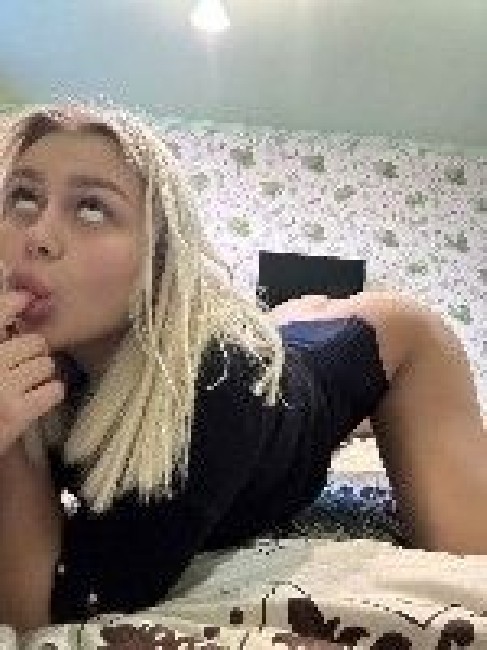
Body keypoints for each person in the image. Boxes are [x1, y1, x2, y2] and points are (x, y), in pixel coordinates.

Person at [0, 102, 484, 636]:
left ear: (159, 262)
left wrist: (14, 445)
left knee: (470, 566)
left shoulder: (211, 389)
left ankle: (353, 415)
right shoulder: (48, 336)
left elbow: (43, 617)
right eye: (23, 197)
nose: (38, 235)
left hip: (392, 342)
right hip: (281, 335)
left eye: (92, 208)